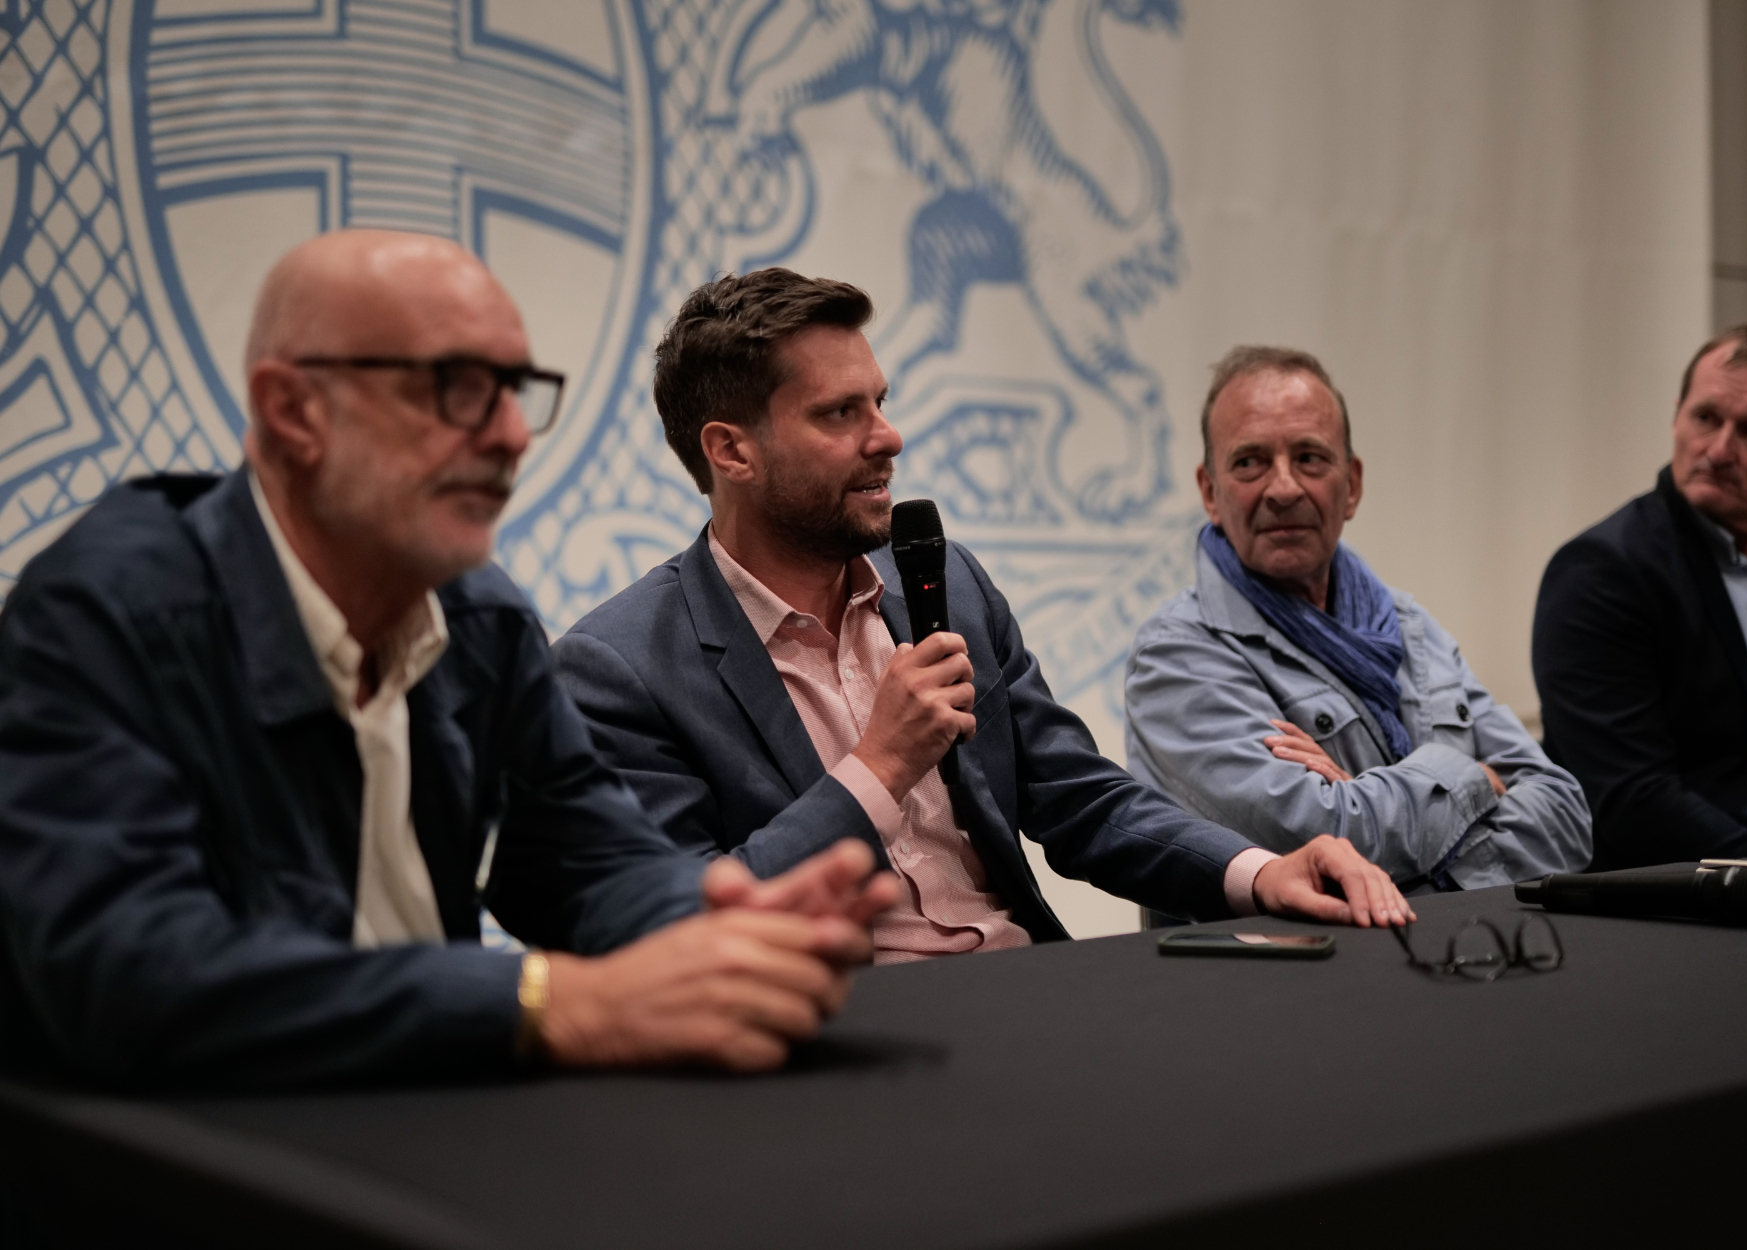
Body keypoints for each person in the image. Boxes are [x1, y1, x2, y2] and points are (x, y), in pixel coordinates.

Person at [0, 231, 897, 1090]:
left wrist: (716, 917)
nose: (510, 434)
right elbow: (120, 970)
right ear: (293, 411)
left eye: (516, 390)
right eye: (459, 389)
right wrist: (548, 1003)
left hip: (425, 1118)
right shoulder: (106, 611)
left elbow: (582, 862)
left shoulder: (476, 616)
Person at [552, 269, 1413, 961]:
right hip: (830, 1035)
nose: (887, 436)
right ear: (731, 450)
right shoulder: (621, 667)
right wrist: (880, 765)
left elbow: (1080, 801)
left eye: (880, 401)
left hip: (1018, 989)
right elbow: (686, 926)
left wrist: (1259, 873)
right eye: (840, 413)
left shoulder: (943, 582)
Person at [1125, 347, 1590, 895]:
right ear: (1210, 492)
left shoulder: (1409, 626)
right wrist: (1475, 778)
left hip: (1470, 942)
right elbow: (1325, 846)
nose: (1283, 488)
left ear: (1353, 485)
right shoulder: (1177, 656)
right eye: (1250, 462)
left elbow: (1566, 818)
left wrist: (1367, 802)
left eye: (1309, 457)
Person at [1533, 323, 1747, 868]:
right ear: (1677, 417)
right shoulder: (1600, 573)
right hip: (1723, 886)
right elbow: (1630, 799)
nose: (1718, 450)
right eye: (1706, 418)